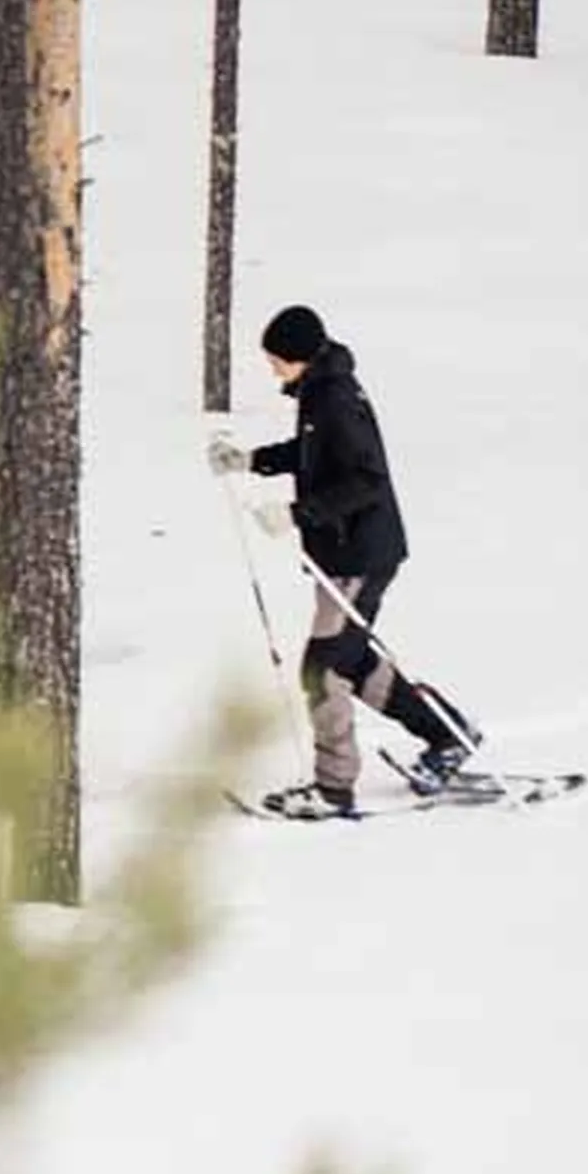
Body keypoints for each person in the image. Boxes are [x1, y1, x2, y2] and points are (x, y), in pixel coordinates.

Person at [210, 304, 481, 816]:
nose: (272, 368)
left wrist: (297, 512)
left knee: (323, 670)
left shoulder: (334, 398)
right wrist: (252, 461)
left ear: (299, 356)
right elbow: (315, 455)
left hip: (359, 554)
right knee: (352, 662)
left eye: (276, 359)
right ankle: (449, 736)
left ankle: (334, 789)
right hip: (347, 552)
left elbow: (366, 480)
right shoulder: (321, 389)